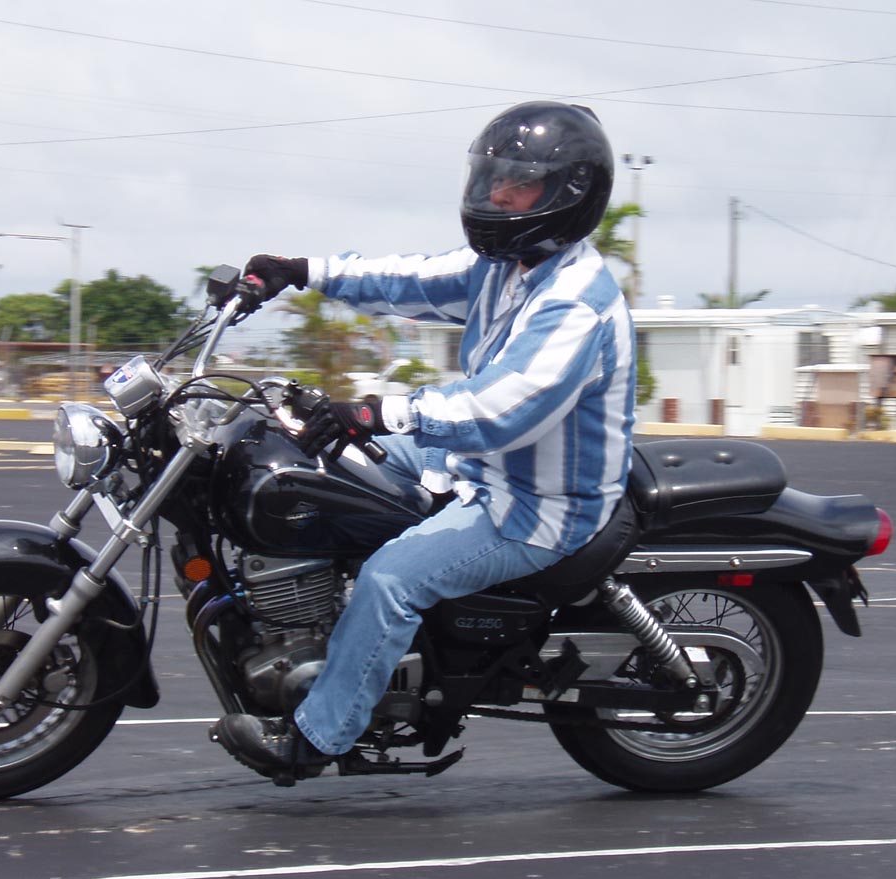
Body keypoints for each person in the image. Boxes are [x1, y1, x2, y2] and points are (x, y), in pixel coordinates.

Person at [212, 100, 637, 779]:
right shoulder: (507, 266)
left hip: (536, 502)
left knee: (390, 578)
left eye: (520, 182)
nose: (499, 194)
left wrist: (376, 413)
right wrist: (302, 271)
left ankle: (317, 737)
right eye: (494, 177)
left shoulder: (575, 302)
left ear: (569, 193)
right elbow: (406, 279)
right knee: (319, 460)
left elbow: (499, 408)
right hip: (481, 463)